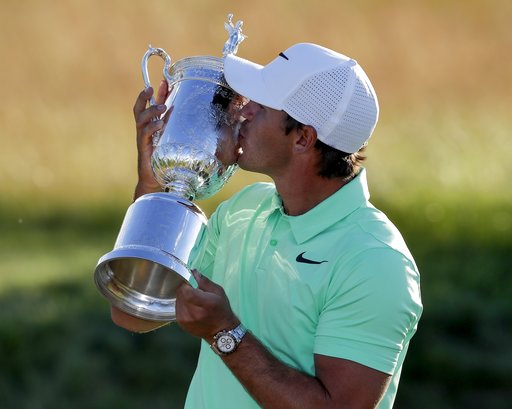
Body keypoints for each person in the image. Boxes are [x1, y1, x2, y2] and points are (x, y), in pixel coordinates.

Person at [112, 43, 423, 409]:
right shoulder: (244, 210)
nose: (243, 112)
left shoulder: (376, 262)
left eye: (260, 106)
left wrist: (224, 332)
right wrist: (153, 187)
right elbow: (133, 309)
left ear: (303, 138)